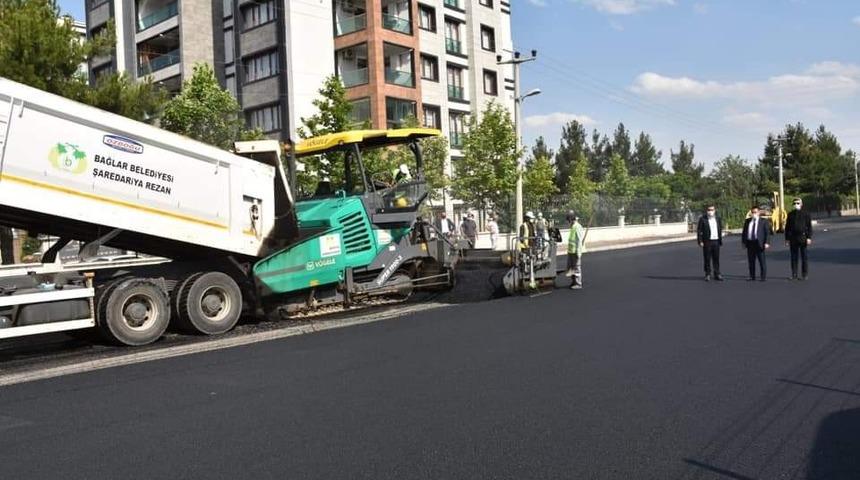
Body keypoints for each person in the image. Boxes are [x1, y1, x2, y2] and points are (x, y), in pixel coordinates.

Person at [784, 197, 813, 280]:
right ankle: (794, 274)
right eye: (794, 203)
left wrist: (809, 237)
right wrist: (787, 239)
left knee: (804, 256)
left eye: (798, 203)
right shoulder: (790, 214)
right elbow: (787, 227)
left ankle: (804, 274)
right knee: (793, 257)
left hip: (803, 237)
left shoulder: (806, 214)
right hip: (793, 238)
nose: (796, 205)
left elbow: (809, 227)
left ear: (801, 204)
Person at [742, 205, 771, 281]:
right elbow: (744, 232)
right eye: (752, 212)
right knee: (751, 261)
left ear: (758, 212)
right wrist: (744, 243)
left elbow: (767, 233)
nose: (754, 213)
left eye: (755, 212)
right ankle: (752, 276)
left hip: (759, 243)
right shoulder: (748, 221)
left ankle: (763, 277)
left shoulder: (763, 221)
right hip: (750, 243)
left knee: (762, 261)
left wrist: (767, 242)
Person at [696, 204, 724, 282]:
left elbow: (720, 228)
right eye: (709, 210)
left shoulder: (718, 219)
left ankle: (717, 273)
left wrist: (720, 239)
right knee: (707, 258)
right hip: (707, 241)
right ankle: (707, 274)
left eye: (712, 210)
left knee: (716, 258)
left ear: (714, 211)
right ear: (706, 211)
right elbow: (699, 231)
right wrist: (700, 241)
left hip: (716, 241)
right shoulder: (703, 219)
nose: (710, 211)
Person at [565, 211, 586, 289]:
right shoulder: (573, 226)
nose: (568, 222)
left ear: (571, 219)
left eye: (568, 220)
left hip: (575, 251)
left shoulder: (577, 227)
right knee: (571, 268)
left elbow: (579, 240)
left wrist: (578, 252)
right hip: (571, 251)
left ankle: (578, 283)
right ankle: (573, 282)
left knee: (576, 267)